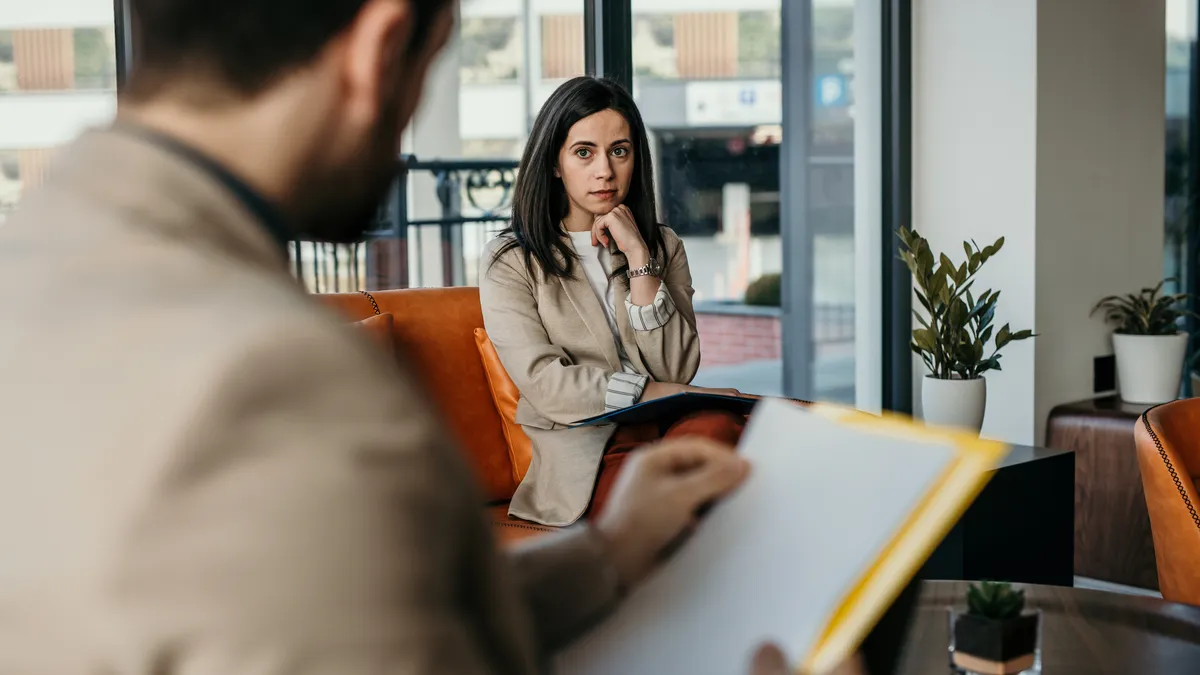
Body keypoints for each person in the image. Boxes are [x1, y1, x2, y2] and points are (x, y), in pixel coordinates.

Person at [0, 1, 869, 675]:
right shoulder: (281, 376)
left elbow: (374, 611)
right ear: (382, 47)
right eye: (434, 62)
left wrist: (606, 555)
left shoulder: (37, 269)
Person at [479, 76, 748, 527]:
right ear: (555, 164)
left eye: (619, 151)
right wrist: (654, 393)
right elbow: (546, 384)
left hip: (674, 427)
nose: (604, 170)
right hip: (591, 447)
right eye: (584, 152)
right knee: (672, 499)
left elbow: (677, 368)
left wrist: (640, 257)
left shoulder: (662, 245)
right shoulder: (511, 262)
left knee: (723, 433)